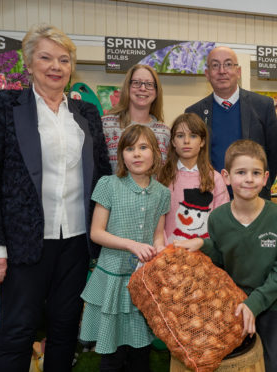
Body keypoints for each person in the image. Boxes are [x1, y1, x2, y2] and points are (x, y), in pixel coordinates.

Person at [0, 24, 111, 372]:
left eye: (64, 60)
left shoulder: (86, 115)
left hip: (76, 242)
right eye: (46, 57)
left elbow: (103, 176)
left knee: (65, 330)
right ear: (29, 64)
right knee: (16, 332)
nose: (56, 66)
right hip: (23, 245)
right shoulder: (4, 106)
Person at [175, 140, 277, 372]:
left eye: (256, 173)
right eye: (241, 172)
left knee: (275, 365)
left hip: (276, 302)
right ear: (226, 177)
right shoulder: (217, 218)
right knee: (236, 361)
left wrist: (255, 303)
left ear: (265, 177)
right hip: (236, 301)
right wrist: (202, 244)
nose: (249, 179)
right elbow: (220, 256)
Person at [79, 124, 170, 371]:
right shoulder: (109, 185)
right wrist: (132, 245)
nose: (137, 154)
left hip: (142, 282)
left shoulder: (162, 193)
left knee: (141, 352)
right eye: (130, 149)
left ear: (155, 154)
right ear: (121, 155)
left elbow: (158, 235)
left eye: (143, 147)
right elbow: (97, 233)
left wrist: (160, 250)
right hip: (112, 280)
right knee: (113, 353)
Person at [185, 46, 277, 199]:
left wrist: (260, 186)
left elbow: (275, 156)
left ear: (238, 71)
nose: (222, 71)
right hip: (210, 200)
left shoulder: (263, 106)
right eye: (215, 65)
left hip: (253, 200)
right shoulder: (194, 113)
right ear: (207, 74)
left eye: (228, 64)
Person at [158, 112, 229, 244]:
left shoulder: (215, 179)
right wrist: (165, 248)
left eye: (193, 136)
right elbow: (155, 220)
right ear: (173, 141)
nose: (186, 141)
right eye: (180, 136)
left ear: (202, 142)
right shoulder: (162, 177)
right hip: (169, 251)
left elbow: (221, 221)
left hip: (204, 253)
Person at [103, 64, 170, 173]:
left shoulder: (165, 133)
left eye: (149, 84)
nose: (142, 88)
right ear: (127, 87)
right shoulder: (106, 125)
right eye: (136, 83)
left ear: (156, 91)